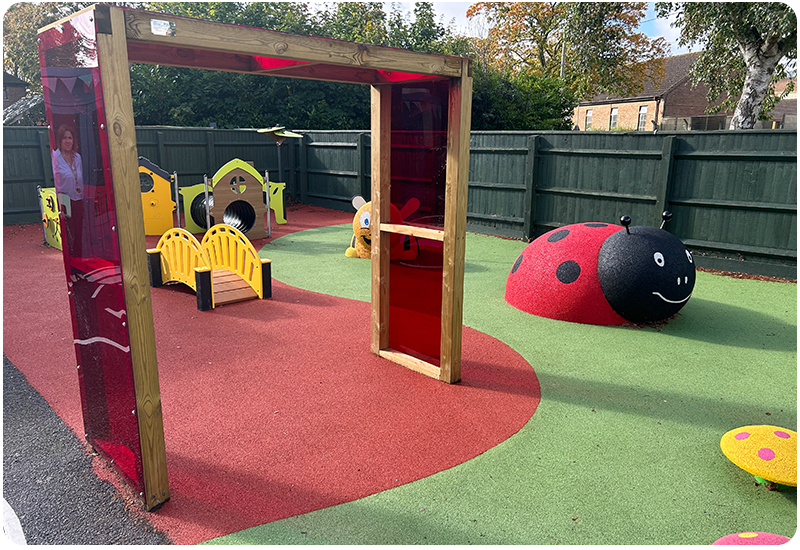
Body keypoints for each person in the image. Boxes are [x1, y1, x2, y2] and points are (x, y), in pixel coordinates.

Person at [52, 124, 83, 207]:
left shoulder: (77, 157)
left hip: (79, 199)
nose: (67, 141)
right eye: (64, 138)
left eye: (70, 138)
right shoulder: (55, 157)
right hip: (63, 202)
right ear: (60, 140)